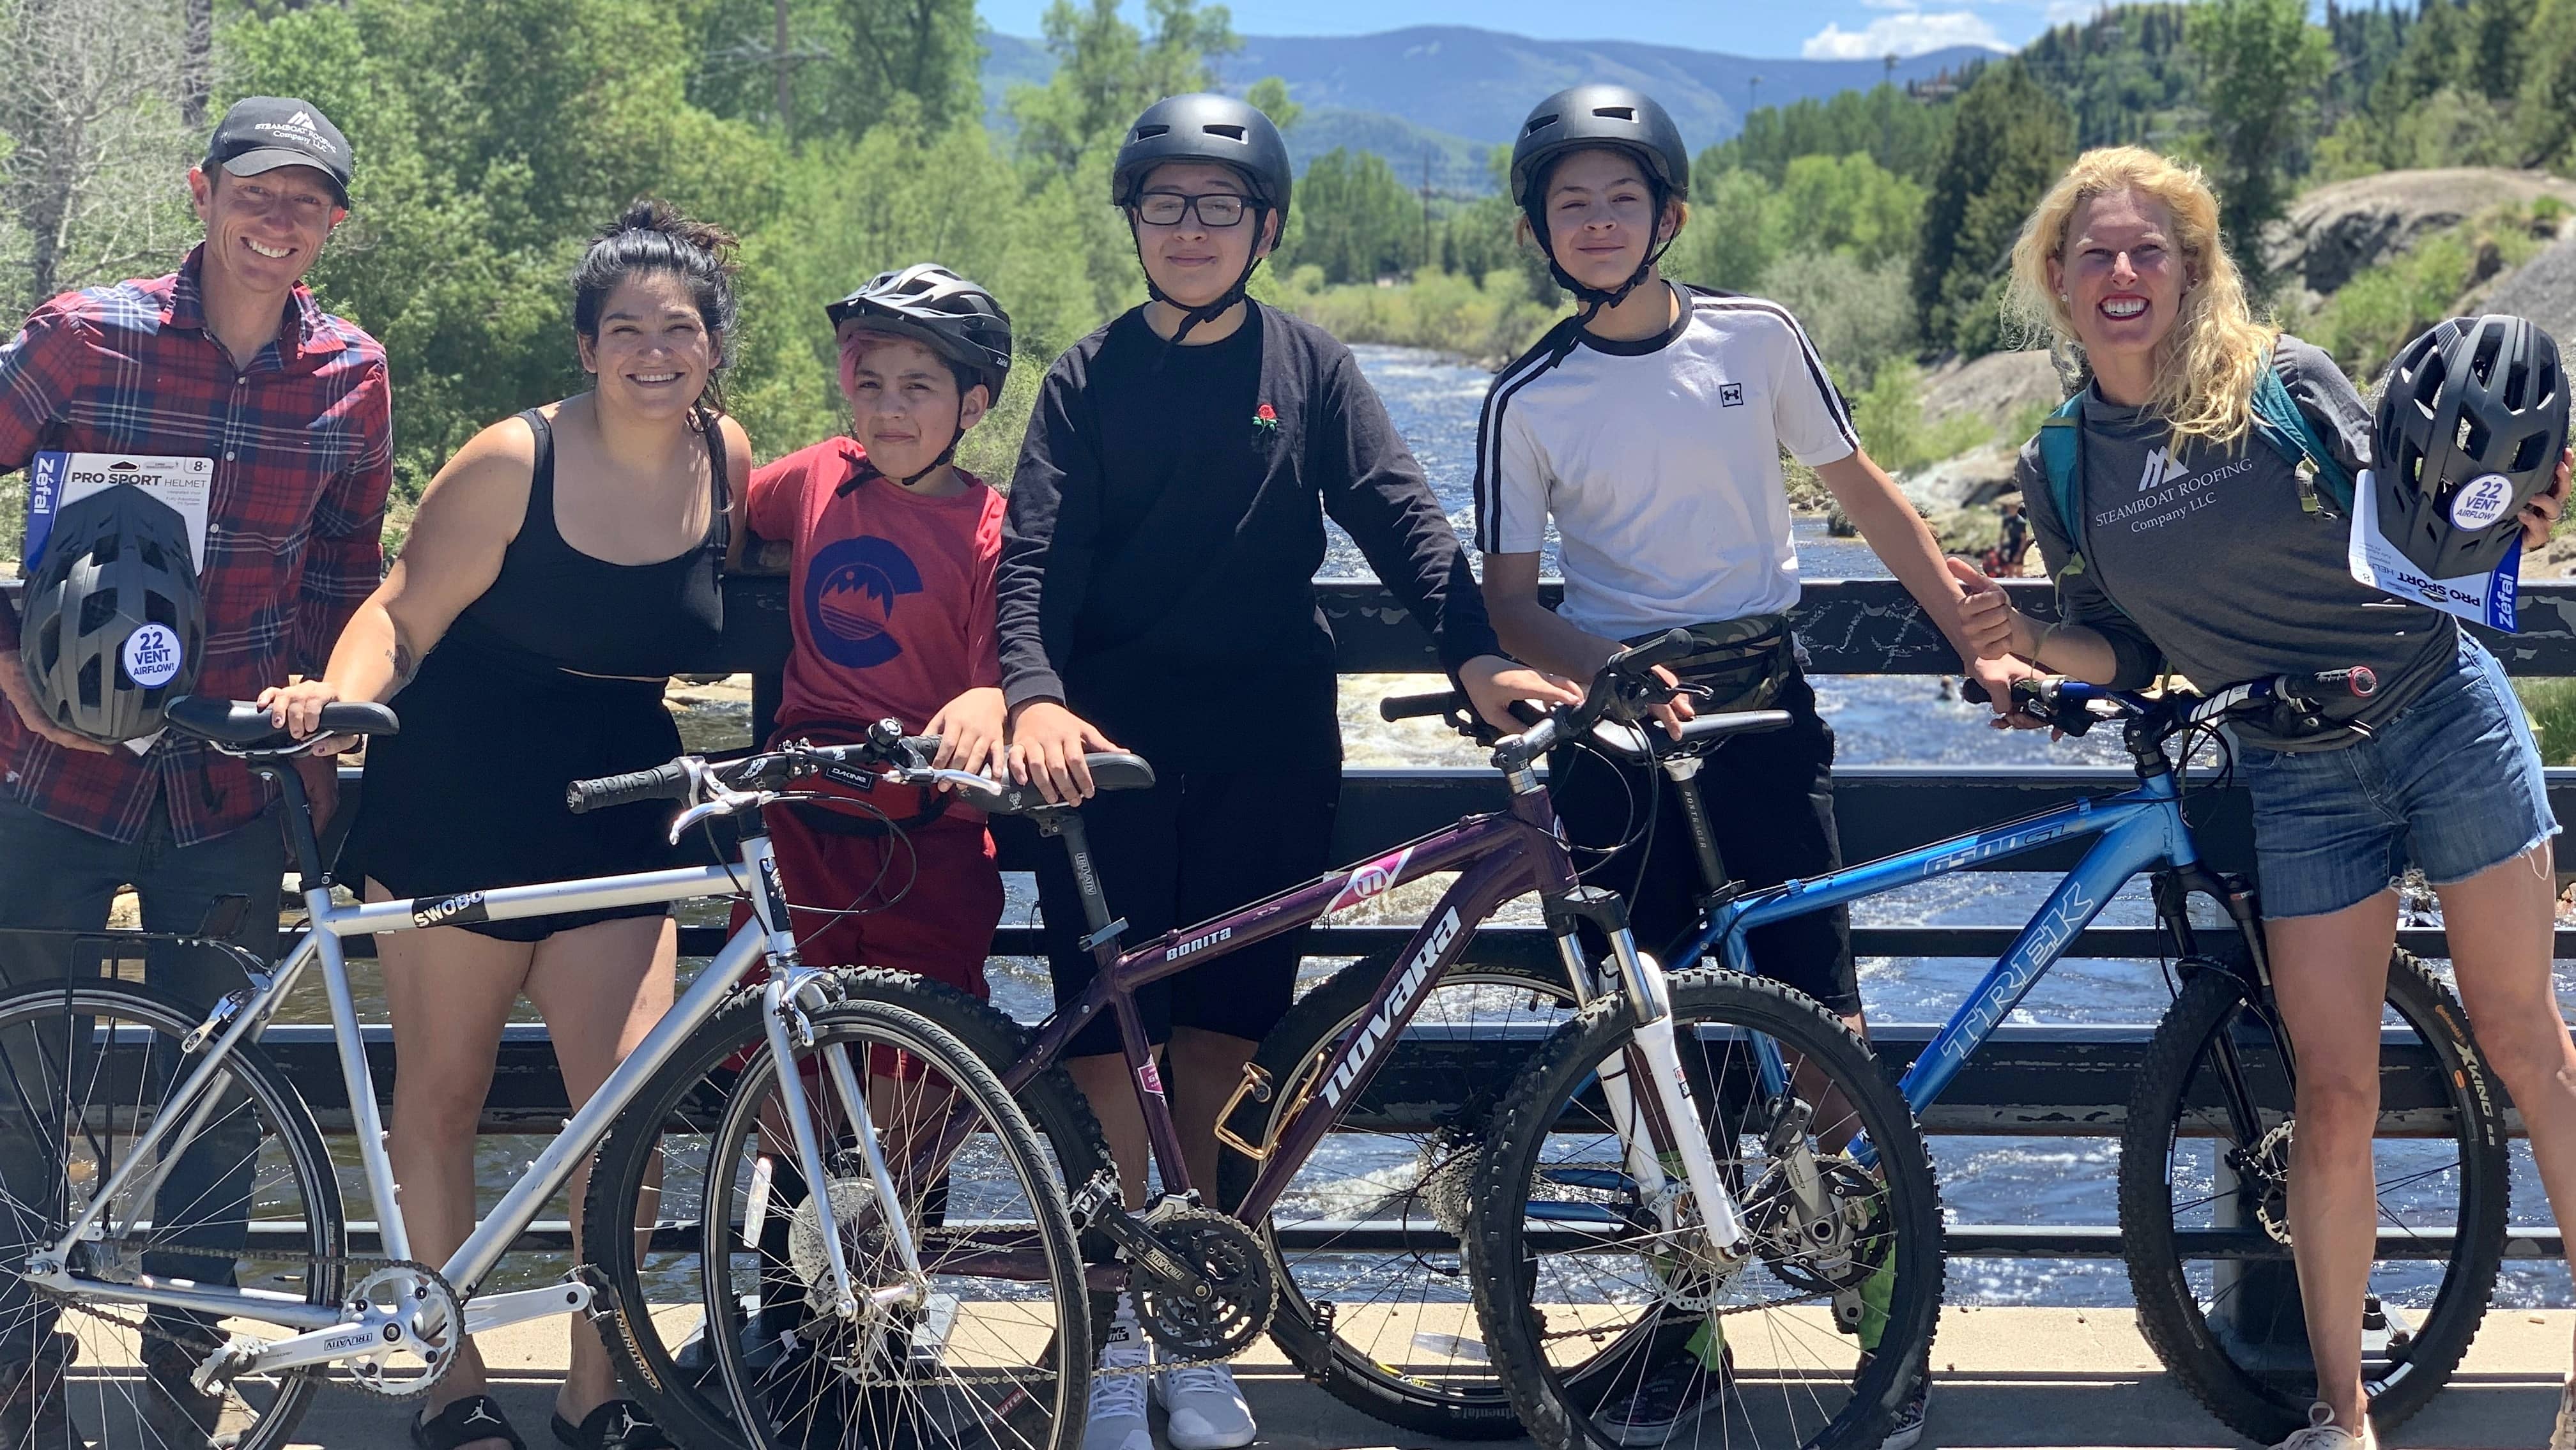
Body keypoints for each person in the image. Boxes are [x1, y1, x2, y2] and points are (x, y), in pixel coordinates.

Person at [1952, 144, 2576, 1450]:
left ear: (2190, 270)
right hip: (2297, 776)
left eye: (2149, 251)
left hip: (2441, 714)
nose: (2123, 273)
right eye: (2095, 255)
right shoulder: (2061, 463)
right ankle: (2343, 1415)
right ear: (2058, 284)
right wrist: (2023, 631)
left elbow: (2428, 523)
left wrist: (2509, 521)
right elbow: (2124, 648)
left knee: (2527, 1042)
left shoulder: (2285, 385)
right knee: (2333, 1090)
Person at [995, 92, 1574, 1450]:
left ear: (1262, 228)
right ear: (1134, 221)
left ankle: (1193, 1316)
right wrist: (1031, 694)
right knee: (1103, 1037)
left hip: (1268, 737)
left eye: (1218, 208)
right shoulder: (1087, 375)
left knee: (1226, 1036)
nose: (1189, 229)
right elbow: (1034, 557)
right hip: (1108, 756)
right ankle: (1116, 1334)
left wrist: (1479, 655)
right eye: (1164, 205)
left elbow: (1402, 520)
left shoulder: (1307, 365)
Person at [1471, 82, 2016, 1450]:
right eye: (1568, 203)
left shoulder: (1757, 338)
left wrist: (1980, 639)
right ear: (1540, 228)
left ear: (1670, 212)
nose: (1595, 222)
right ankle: (1687, 1328)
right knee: (1655, 1041)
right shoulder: (1525, 396)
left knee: (1820, 1012)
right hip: (1622, 730)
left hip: (1764, 707)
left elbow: (1870, 492)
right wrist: (1602, 669)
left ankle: (1883, 1309)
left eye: (1620, 197)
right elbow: (1510, 596)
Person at [260, 200, 749, 1450]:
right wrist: (338, 691)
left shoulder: (731, 460)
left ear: (714, 347)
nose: (654, 348)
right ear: (584, 346)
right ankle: (452, 1381)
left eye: (680, 328)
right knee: (443, 1094)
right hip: (458, 802)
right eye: (625, 326)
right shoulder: (510, 460)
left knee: (626, 1115)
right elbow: (403, 611)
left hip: (622, 807)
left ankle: (598, 1391)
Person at [0, 96, 388, 1446]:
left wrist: (330, 728)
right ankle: (13, 1342)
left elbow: (348, 568)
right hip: (52, 776)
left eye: (307, 203)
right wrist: (7, 661)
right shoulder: (78, 334)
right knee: (19, 1071)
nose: (277, 223)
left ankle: (194, 1346)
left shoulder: (353, 370)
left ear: (333, 226)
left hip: (235, 785)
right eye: (255, 193)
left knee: (223, 1083)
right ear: (200, 191)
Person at [734, 263, 1013, 1033]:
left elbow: (998, 678)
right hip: (802, 815)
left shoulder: (994, 527)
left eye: (918, 387)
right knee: (784, 1060)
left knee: (913, 1069)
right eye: (871, 384)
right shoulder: (821, 473)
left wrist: (990, 696)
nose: (889, 409)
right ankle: (779, 1161)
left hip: (927, 830)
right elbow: (729, 507)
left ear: (974, 404)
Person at [1995, 497, 2031, 576]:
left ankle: (2019, 582)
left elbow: (2023, 538)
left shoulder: (2020, 522)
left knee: (2018, 568)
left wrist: (2020, 552)